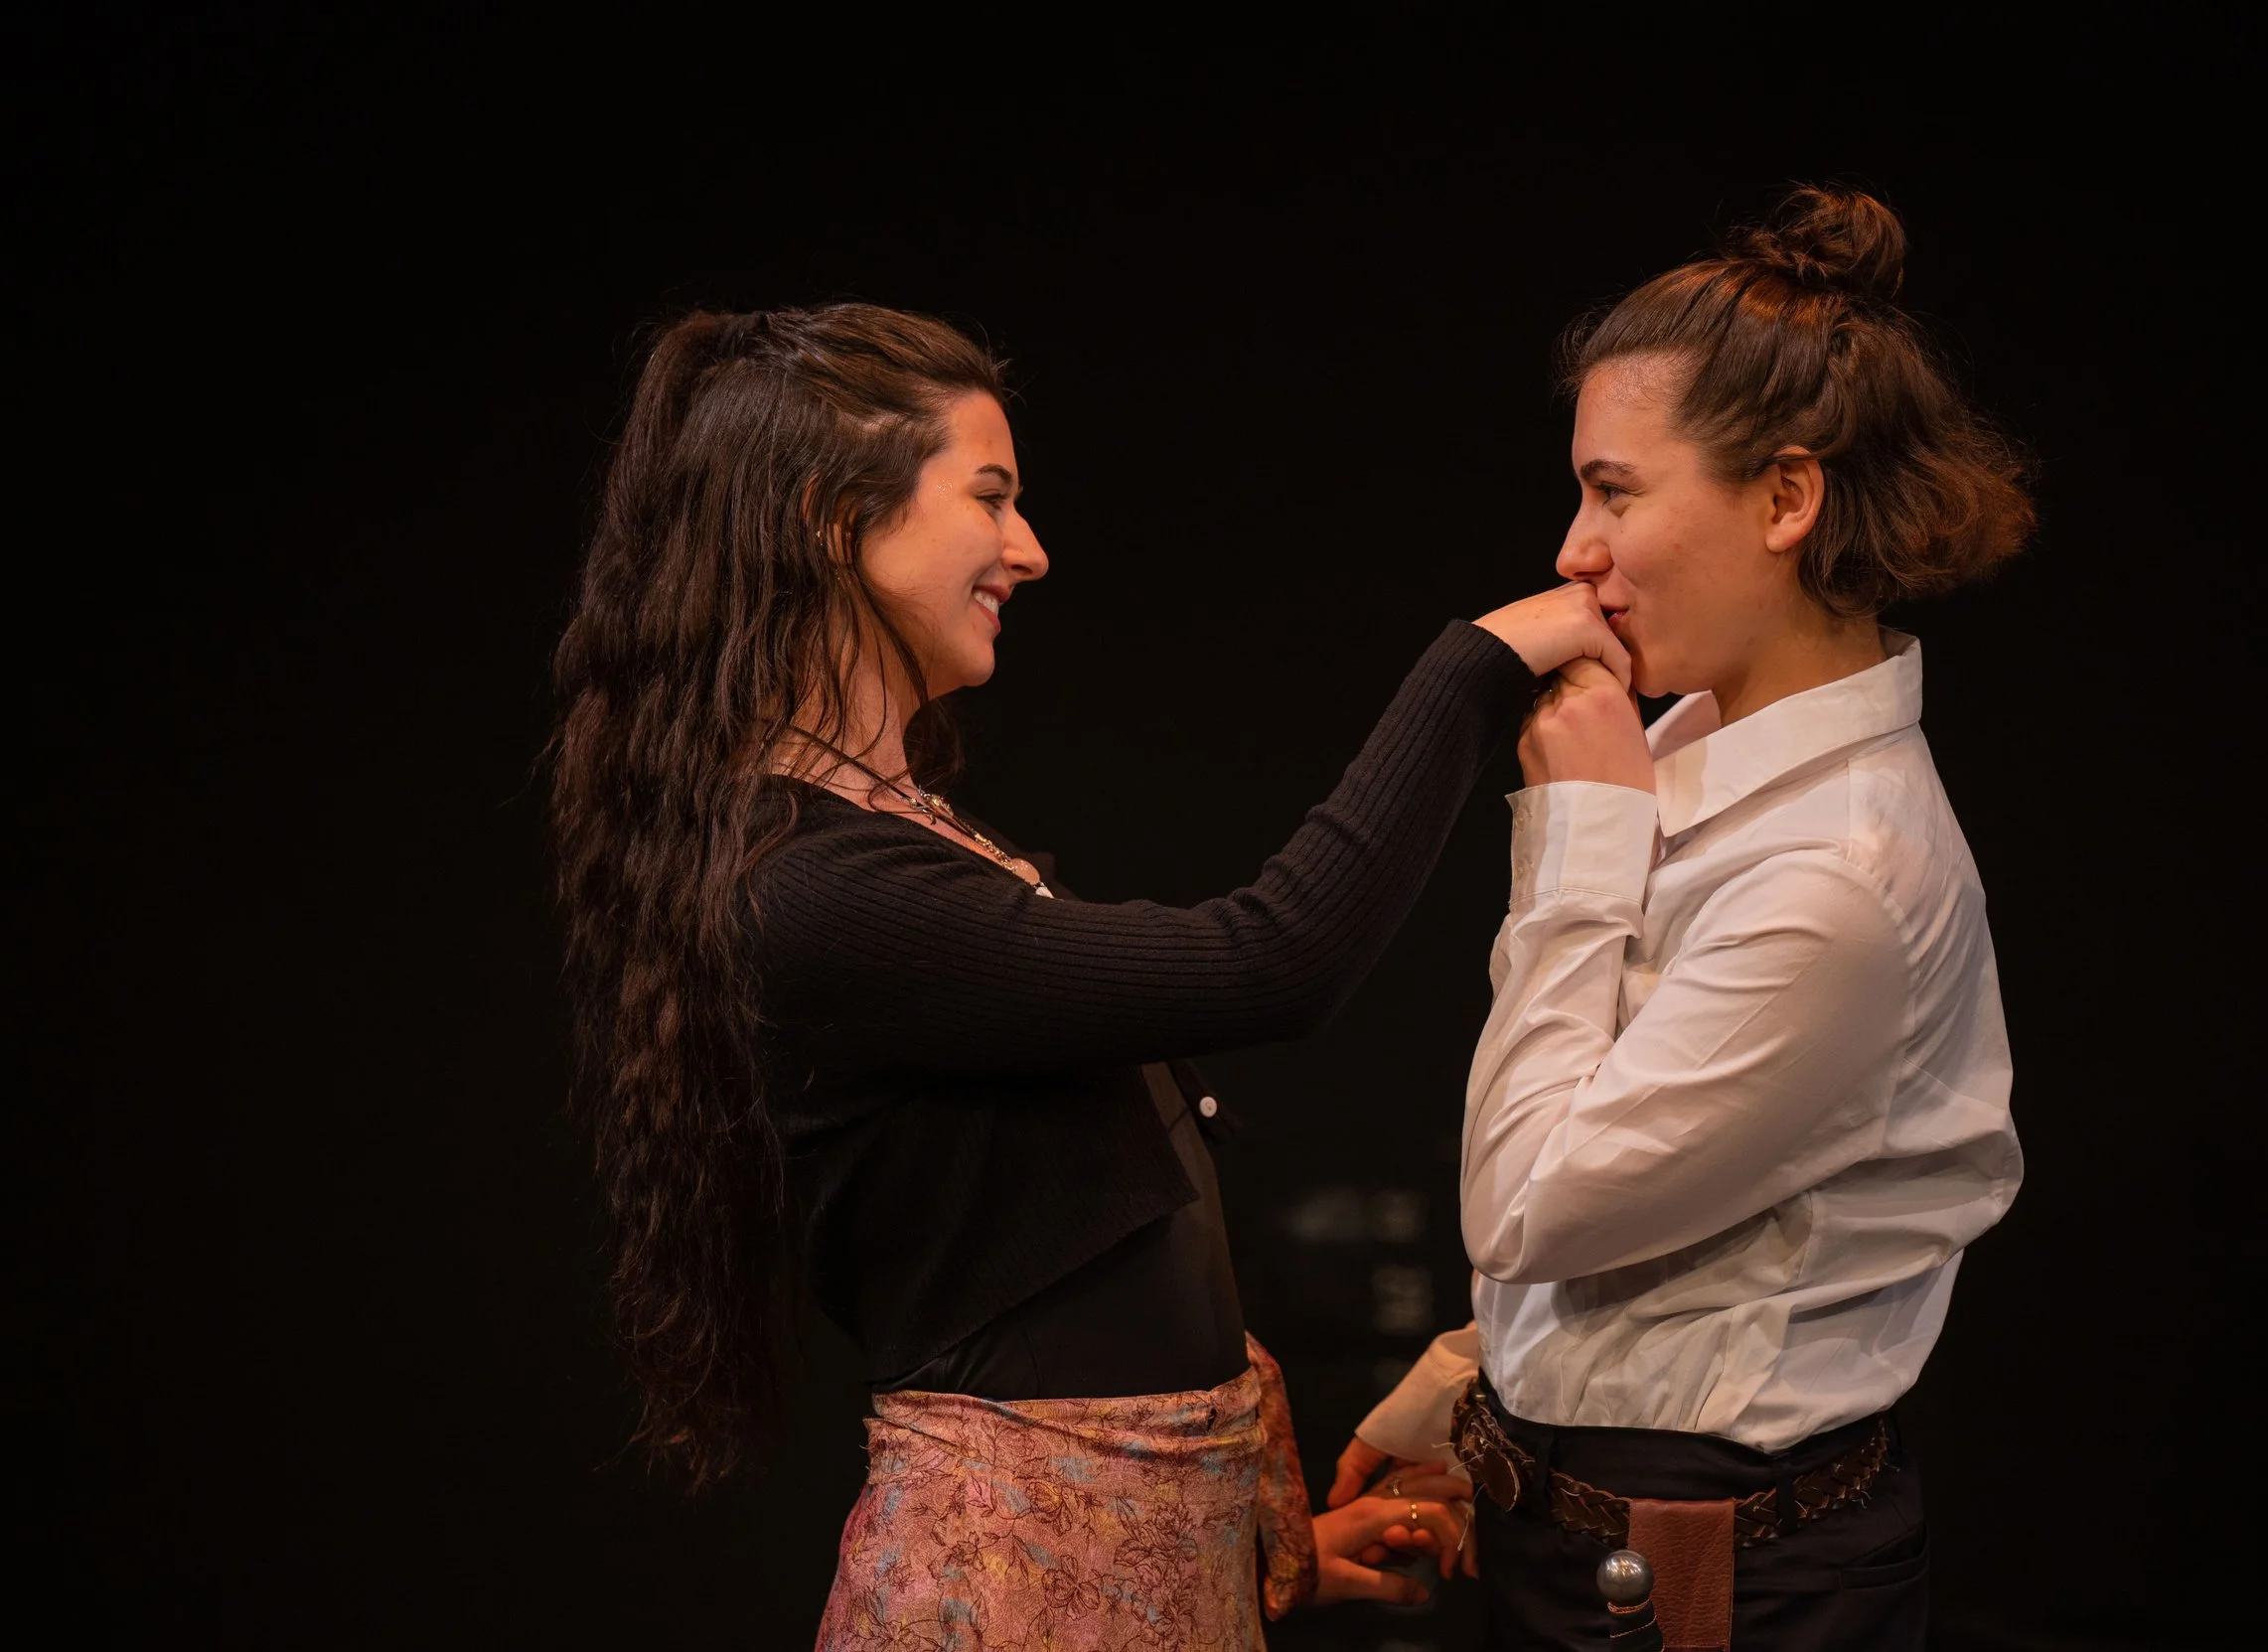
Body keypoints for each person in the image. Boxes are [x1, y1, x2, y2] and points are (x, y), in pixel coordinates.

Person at [548, 302, 1625, 1649]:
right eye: (989, 497)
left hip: (1105, 1570)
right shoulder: (818, 887)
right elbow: (1271, 960)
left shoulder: (894, 838)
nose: (1030, 549)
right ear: (833, 515)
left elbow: (1064, 1279)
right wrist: (1480, 666)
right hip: (1007, 1593)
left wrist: (1248, 1550)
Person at [1336, 186, 2035, 1650]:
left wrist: (1578, 847)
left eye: (1615, 491)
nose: (1574, 546)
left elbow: (1530, 1205)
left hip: (1707, 1580)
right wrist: (1475, 1382)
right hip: (1594, 1531)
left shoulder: (1839, 870)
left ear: (1786, 499)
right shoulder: (1712, 759)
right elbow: (1688, 1236)